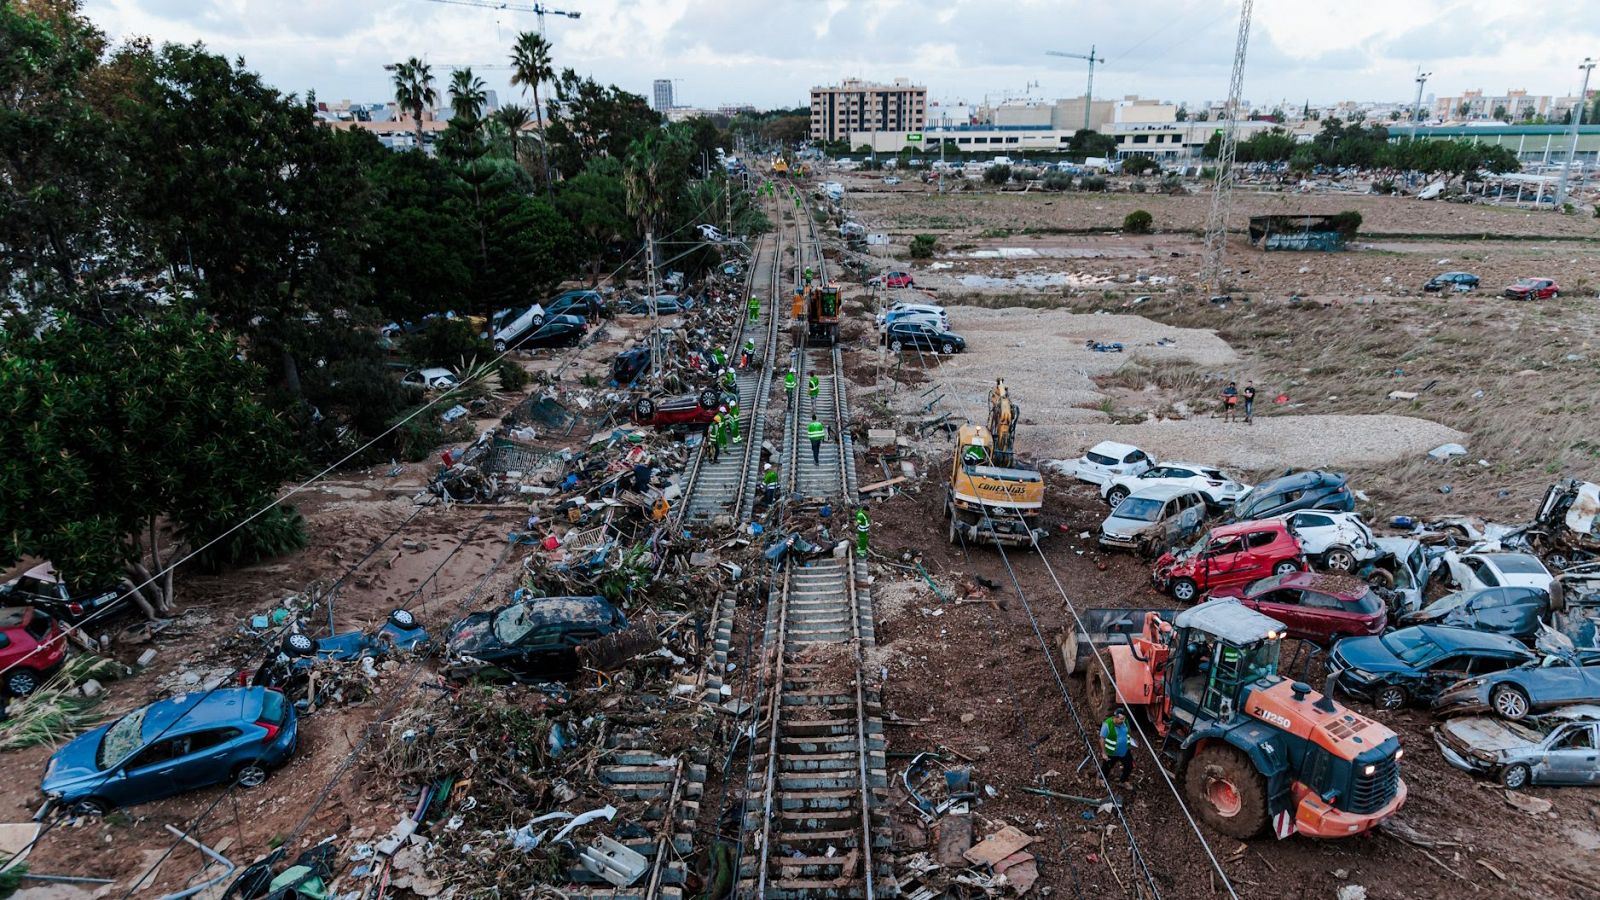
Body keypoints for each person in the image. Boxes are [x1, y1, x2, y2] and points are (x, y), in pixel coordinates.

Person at [1100, 709, 1136, 786]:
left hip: (1124, 750)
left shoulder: (1125, 722)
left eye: (1124, 718)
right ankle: (1102, 779)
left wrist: (1131, 741)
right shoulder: (1107, 724)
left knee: (1129, 766)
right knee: (1107, 767)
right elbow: (1102, 739)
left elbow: (1127, 733)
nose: (1123, 721)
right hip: (1112, 752)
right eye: (1121, 719)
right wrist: (1104, 753)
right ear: (1115, 717)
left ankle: (1123, 781)